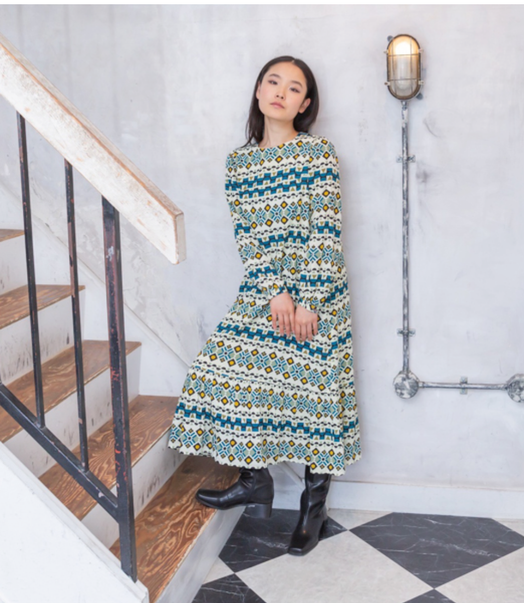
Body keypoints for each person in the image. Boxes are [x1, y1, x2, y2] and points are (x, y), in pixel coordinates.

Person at [167, 55, 361, 556]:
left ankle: (313, 508)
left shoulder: (318, 153)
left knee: (315, 393)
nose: (280, 92)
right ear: (258, 91)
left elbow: (326, 230)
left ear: (305, 104)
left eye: (293, 87)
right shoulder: (240, 163)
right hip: (264, 288)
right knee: (221, 371)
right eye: (273, 82)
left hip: (320, 286)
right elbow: (248, 236)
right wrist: (275, 291)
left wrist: (309, 300)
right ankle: (255, 481)